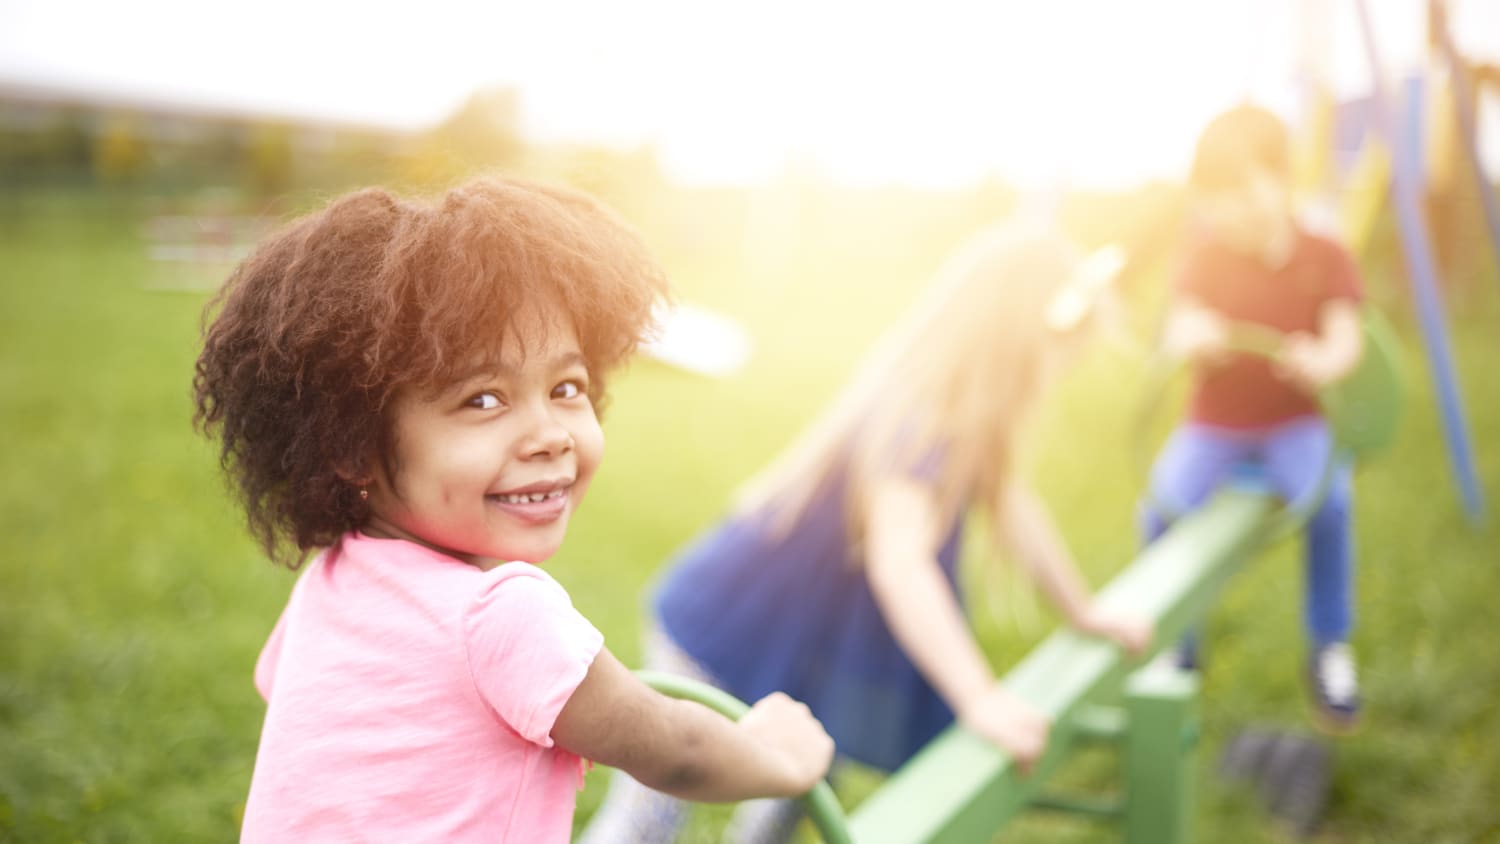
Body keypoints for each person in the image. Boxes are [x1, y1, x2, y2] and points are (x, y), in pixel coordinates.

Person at [192, 177, 834, 843]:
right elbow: (679, 751)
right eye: (484, 400)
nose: (551, 433)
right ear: (351, 445)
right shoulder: (500, 616)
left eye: (566, 387)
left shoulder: (328, 586)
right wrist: (775, 755)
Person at [581, 222, 1154, 844]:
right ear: (1015, 337)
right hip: (726, 626)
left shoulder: (973, 417)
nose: (1061, 370)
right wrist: (980, 698)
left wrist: (1083, 610)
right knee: (656, 811)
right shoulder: (923, 416)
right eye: (1059, 350)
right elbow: (900, 563)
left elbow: (1014, 506)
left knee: (793, 790)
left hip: (801, 646)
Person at [1142, 103, 1366, 732]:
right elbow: (1179, 323)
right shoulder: (1206, 256)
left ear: (1281, 178)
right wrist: (1195, 334)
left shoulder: (1324, 254)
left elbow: (1346, 339)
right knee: (1159, 509)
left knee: (1332, 504)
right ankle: (1176, 645)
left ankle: (1329, 645)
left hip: (1295, 422)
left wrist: (1321, 359)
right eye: (1215, 198)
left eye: (1242, 192)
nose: (1230, 211)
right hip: (1214, 424)